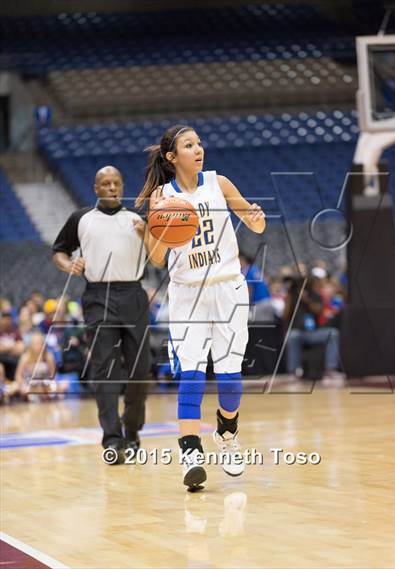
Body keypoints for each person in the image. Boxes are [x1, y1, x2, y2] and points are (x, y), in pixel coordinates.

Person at [135, 124, 266, 490]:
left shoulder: (219, 184)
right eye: (188, 145)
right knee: (191, 375)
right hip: (188, 294)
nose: (198, 149)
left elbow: (256, 225)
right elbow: (158, 259)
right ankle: (190, 451)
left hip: (228, 289)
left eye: (199, 143)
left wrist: (256, 217)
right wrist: (158, 227)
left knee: (230, 377)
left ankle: (226, 434)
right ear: (171, 157)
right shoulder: (162, 197)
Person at [53, 166, 151, 464]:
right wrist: (67, 264)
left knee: (140, 370)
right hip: (98, 296)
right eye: (105, 183)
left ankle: (131, 431)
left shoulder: (138, 219)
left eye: (116, 183)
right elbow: (59, 250)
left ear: (122, 186)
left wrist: (148, 236)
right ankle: (112, 440)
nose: (111, 188)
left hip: (134, 294)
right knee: (104, 369)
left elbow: (160, 256)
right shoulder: (80, 219)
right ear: (95, 188)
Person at [283, 275, 343, 382]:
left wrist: (306, 300)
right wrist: (289, 296)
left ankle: (331, 369)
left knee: (333, 333)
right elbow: (285, 315)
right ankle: (293, 371)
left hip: (314, 332)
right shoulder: (292, 296)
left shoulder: (315, 296)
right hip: (299, 332)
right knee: (292, 336)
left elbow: (319, 311)